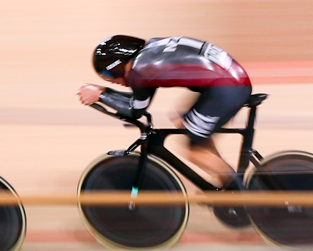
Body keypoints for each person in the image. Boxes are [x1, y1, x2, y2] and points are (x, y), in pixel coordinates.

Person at [76, 34, 249, 188]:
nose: (114, 81)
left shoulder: (139, 70)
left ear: (118, 66)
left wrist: (101, 94)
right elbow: (140, 100)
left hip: (226, 89)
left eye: (110, 76)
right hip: (227, 81)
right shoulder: (149, 51)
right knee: (183, 122)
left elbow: (135, 110)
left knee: (193, 151)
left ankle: (241, 194)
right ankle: (224, 177)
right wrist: (104, 93)